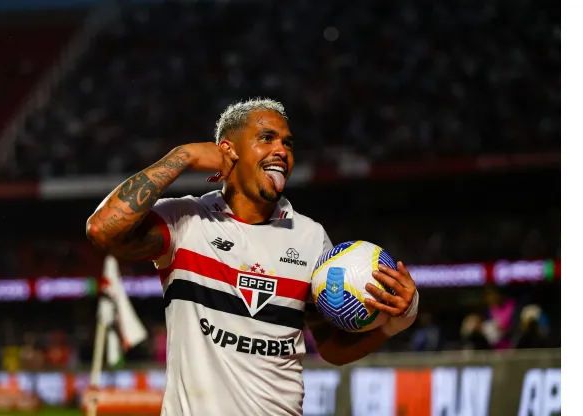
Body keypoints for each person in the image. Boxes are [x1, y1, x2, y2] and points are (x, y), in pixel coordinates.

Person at [86, 98, 419, 415]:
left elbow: (331, 347)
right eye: (267, 138)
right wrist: (182, 157)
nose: (281, 151)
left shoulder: (311, 238)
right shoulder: (185, 222)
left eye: (288, 143)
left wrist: (398, 320)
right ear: (227, 150)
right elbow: (102, 229)